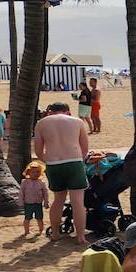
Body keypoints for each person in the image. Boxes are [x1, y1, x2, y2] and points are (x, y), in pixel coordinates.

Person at [33, 102, 89, 244]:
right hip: (74, 161)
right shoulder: (77, 121)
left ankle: (55, 233)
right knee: (78, 201)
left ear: (50, 112)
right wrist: (78, 160)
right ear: (67, 111)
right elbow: (84, 148)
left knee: (58, 200)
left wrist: (49, 160)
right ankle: (81, 237)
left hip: (53, 163)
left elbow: (38, 151)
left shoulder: (41, 123)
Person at [19, 161, 48, 238]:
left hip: (38, 203)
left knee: (40, 218)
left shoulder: (41, 182)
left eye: (38, 172)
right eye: (33, 172)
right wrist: (21, 202)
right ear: (28, 172)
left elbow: (45, 193)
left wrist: (46, 202)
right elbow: (21, 193)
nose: (36, 174)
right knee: (27, 218)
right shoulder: (25, 182)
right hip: (28, 203)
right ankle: (26, 231)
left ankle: (41, 230)